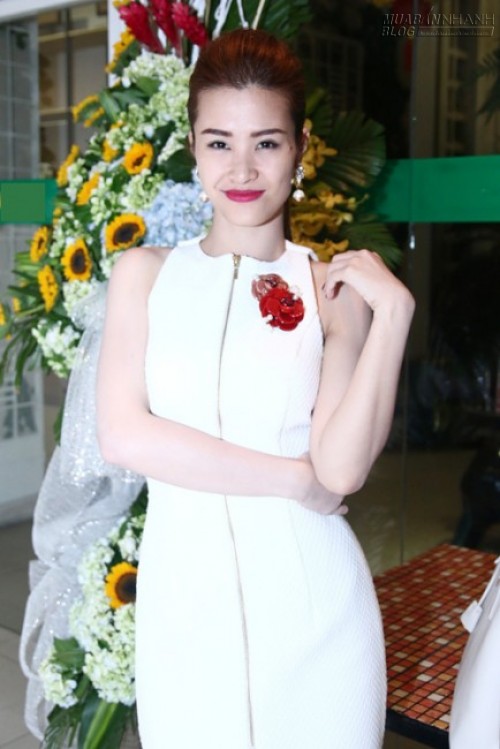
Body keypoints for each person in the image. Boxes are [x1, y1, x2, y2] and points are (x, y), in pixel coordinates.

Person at [97, 28, 415, 749]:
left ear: (300, 148)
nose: (241, 167)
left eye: (266, 143)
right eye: (219, 142)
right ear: (192, 145)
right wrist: (292, 478)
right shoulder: (143, 275)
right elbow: (123, 434)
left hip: (317, 614)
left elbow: (340, 470)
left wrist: (392, 316)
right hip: (184, 616)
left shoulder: (331, 291)